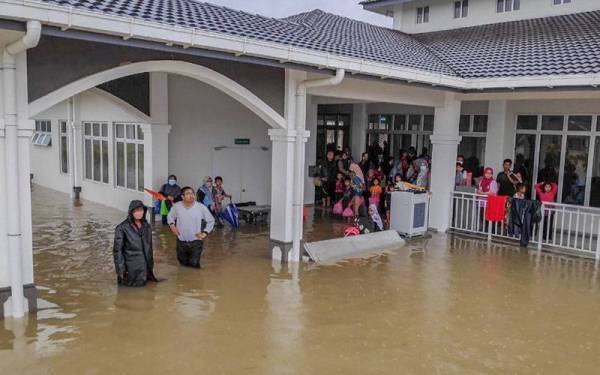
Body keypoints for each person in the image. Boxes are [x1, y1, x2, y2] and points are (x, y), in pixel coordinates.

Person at [168, 187, 215, 268]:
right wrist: (172, 225)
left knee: (194, 264)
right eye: (188, 194)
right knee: (182, 264)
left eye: (192, 193)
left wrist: (205, 232)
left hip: (196, 242)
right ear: (182, 197)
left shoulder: (201, 207)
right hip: (181, 241)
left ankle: (196, 279)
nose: (191, 195)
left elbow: (211, 220)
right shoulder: (177, 206)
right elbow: (170, 216)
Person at [113, 200, 158, 287]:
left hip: (145, 268)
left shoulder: (147, 226)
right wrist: (121, 270)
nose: (139, 213)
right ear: (131, 212)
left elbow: (149, 247)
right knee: (128, 294)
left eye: (141, 210)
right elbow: (117, 251)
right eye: (136, 210)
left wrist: (150, 265)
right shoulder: (122, 228)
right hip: (130, 269)